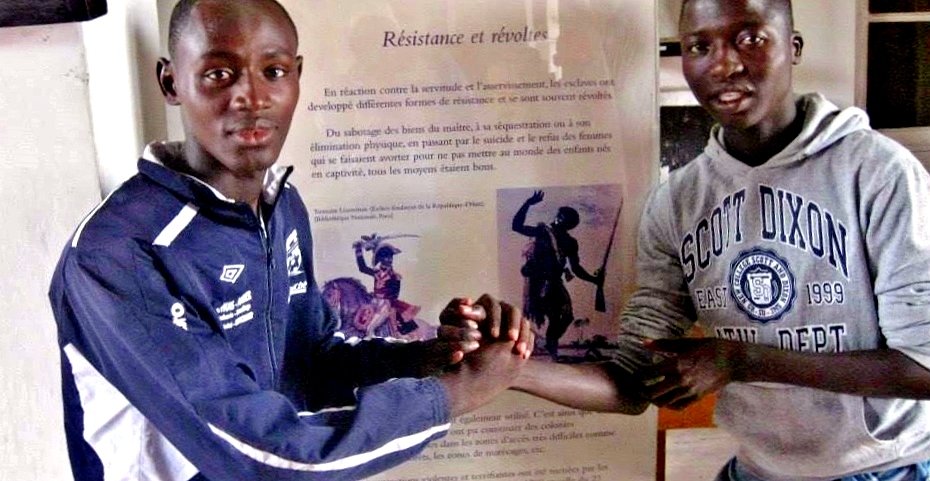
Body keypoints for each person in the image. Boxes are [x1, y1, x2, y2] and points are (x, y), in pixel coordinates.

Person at [47, 1, 533, 480]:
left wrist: (435, 357)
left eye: (274, 72)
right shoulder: (117, 254)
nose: (252, 97)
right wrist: (457, 391)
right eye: (219, 74)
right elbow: (264, 459)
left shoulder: (281, 207)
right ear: (171, 83)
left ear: (297, 76)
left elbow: (313, 362)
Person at [505, 0, 930, 479]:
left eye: (750, 39)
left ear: (793, 48)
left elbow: (923, 366)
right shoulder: (678, 201)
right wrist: (507, 368)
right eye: (699, 46)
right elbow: (633, 380)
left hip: (884, 468)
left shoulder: (878, 173)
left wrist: (740, 360)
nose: (724, 65)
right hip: (759, 469)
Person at [512, 190, 603, 358]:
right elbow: (516, 226)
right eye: (560, 216)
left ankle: (550, 344)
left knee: (567, 317)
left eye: (564, 219)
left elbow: (576, 268)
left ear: (569, 224)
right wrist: (528, 203)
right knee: (554, 316)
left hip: (556, 283)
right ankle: (551, 352)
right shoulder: (543, 232)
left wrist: (594, 279)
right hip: (540, 283)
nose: (559, 220)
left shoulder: (570, 242)